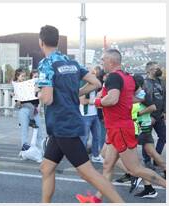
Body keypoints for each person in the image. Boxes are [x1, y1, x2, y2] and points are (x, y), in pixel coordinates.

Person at [36, 25, 123, 203]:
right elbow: (96, 83)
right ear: (57, 41)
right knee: (46, 168)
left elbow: (48, 99)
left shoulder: (46, 64)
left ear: (41, 42)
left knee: (87, 173)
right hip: (64, 124)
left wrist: (37, 93)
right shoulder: (70, 62)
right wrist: (74, 94)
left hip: (62, 124)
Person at [78, 49, 166, 202]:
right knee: (107, 163)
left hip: (120, 128)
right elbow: (141, 96)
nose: (102, 63)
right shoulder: (128, 77)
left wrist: (93, 101)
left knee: (135, 169)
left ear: (111, 62)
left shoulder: (113, 77)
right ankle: (96, 199)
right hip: (116, 128)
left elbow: (111, 100)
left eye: (103, 60)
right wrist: (124, 101)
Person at [141, 61, 166, 169]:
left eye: (158, 68)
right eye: (155, 68)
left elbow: (165, 97)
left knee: (163, 136)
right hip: (148, 116)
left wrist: (164, 111)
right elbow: (141, 100)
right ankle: (147, 161)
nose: (158, 70)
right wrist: (149, 114)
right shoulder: (144, 83)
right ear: (149, 70)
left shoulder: (161, 82)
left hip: (159, 115)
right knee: (146, 139)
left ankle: (156, 158)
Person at [13, 68, 42, 151]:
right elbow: (18, 102)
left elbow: (40, 99)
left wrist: (38, 90)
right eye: (35, 76)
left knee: (39, 131)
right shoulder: (22, 85)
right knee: (24, 131)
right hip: (24, 109)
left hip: (34, 110)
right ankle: (24, 150)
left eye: (38, 77)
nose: (36, 78)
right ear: (31, 77)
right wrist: (18, 101)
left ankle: (40, 150)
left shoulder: (38, 86)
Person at [79, 67, 104, 163]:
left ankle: (95, 156)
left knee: (96, 137)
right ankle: (81, 158)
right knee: (84, 138)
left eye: (95, 74)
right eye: (92, 74)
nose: (94, 76)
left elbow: (96, 97)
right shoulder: (83, 84)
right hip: (85, 116)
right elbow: (82, 101)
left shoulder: (95, 85)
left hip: (95, 115)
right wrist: (96, 101)